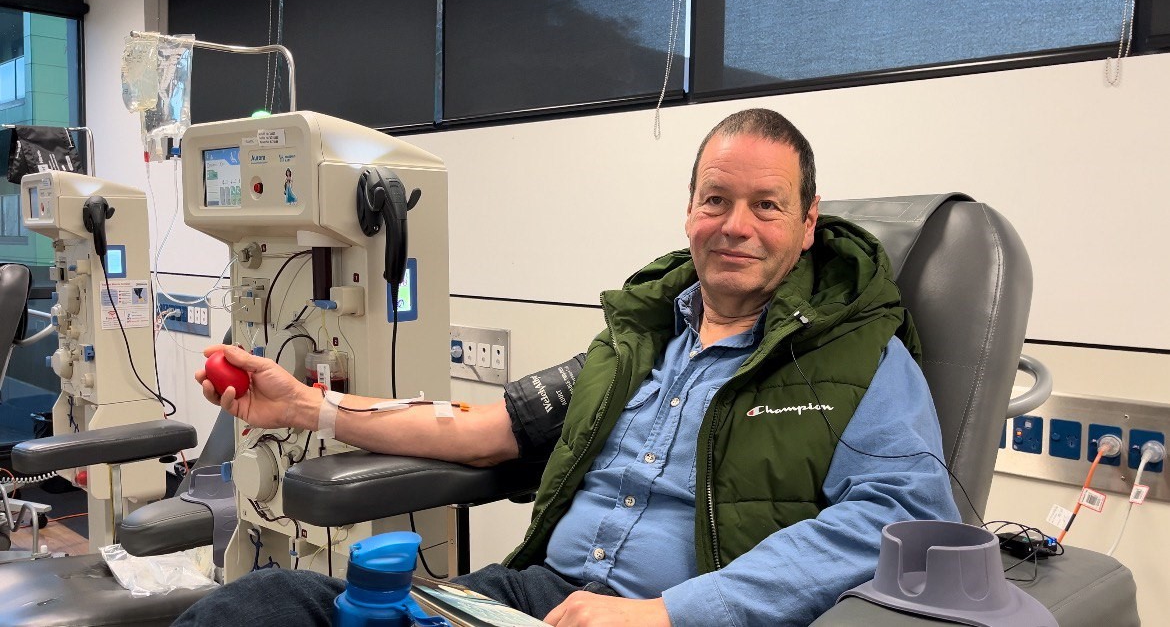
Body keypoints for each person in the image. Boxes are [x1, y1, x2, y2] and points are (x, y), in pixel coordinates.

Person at [174, 108, 959, 626]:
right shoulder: (639, 342)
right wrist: (308, 408)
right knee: (256, 606)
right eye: (716, 200)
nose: (736, 227)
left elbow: (892, 523)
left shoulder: (860, 359)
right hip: (535, 600)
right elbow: (483, 429)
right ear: (689, 210)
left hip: (673, 620)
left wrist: (669, 612)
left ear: (809, 222)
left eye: (767, 205)